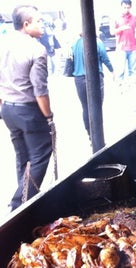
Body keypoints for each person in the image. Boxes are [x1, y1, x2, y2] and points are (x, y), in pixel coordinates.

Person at [0, 5, 55, 211]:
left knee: (23, 157)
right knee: (40, 155)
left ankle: (25, 197)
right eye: (39, 21)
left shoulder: (3, 44)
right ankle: (19, 204)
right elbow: (40, 89)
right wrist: (48, 116)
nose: (43, 25)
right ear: (26, 24)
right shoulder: (36, 49)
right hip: (28, 111)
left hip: (8, 110)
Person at [70, 33, 114, 136]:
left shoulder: (75, 43)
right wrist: (112, 70)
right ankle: (98, 135)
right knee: (97, 106)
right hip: (95, 78)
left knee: (85, 107)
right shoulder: (97, 42)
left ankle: (90, 133)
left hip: (79, 79)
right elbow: (105, 58)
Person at [111, 0, 136, 81]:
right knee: (120, 72)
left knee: (133, 72)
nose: (126, 9)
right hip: (121, 48)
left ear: (130, 7)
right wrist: (121, 28)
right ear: (121, 7)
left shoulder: (135, 18)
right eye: (124, 7)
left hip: (133, 48)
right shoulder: (116, 18)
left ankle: (132, 90)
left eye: (128, 8)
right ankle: (120, 90)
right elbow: (112, 32)